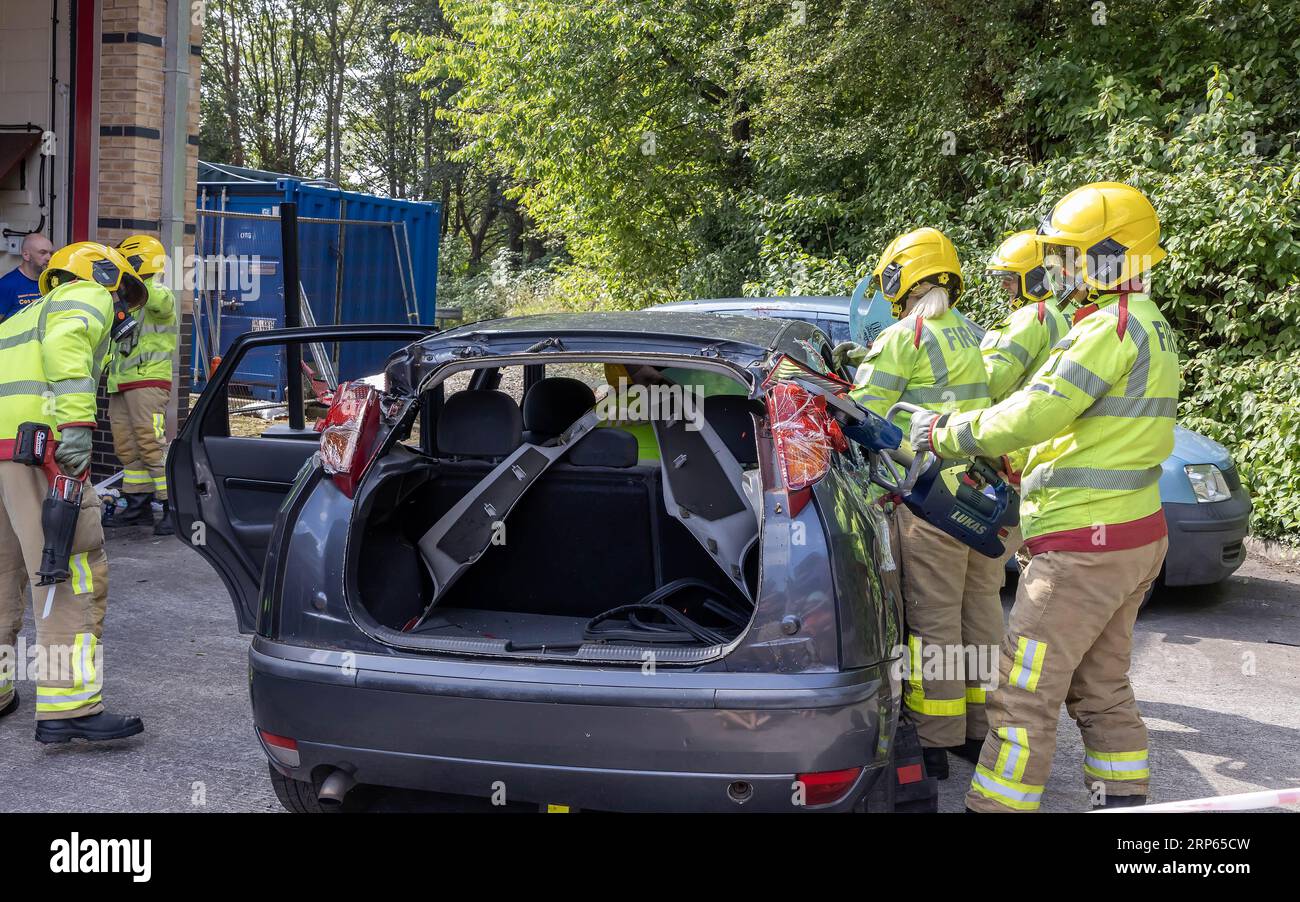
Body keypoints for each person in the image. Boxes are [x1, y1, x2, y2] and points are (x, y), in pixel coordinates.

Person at [910, 182, 1177, 811]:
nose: (1062, 268)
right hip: (1135, 536)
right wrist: (1015, 461)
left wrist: (946, 433)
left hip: (1083, 546)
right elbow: (1092, 431)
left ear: (1112, 255)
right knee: (1102, 684)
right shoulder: (1150, 324)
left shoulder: (1105, 330)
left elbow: (1035, 411)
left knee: (1023, 693)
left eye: (1073, 255)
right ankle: (1122, 799)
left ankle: (995, 807)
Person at [848, 227, 1005, 780]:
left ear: (900, 277)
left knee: (934, 620)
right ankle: (980, 725)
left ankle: (935, 740)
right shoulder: (968, 333)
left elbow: (860, 418)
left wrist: (851, 381)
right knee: (980, 613)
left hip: (929, 499)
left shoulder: (903, 336)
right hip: (978, 497)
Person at [0, 241, 146, 741]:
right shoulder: (85, 296)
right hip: (43, 453)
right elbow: (68, 347)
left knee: (3, 573)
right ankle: (69, 706)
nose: (123, 308)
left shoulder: (20, 316)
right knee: (68, 571)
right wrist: (78, 425)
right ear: (104, 274)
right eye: (124, 292)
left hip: (3, 454)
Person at [105, 235, 179, 536]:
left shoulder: (158, 293)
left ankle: (173, 507)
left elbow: (158, 300)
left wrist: (126, 281)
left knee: (152, 446)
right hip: (121, 383)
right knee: (127, 448)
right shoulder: (126, 300)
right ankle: (138, 505)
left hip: (148, 380)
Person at [0, 233, 54, 322]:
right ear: (26, 255)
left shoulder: (52, 282)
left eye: (51, 253)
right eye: (43, 252)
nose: (49, 258)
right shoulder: (6, 285)